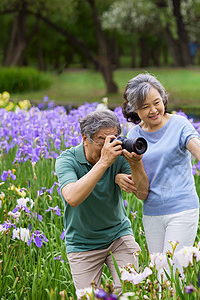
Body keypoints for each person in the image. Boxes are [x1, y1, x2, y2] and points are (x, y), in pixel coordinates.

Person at [119, 73, 200, 258]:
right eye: (145, 107)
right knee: (159, 273)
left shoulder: (179, 124)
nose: (153, 110)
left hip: (182, 208)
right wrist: (120, 175)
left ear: (163, 99)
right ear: (134, 109)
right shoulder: (133, 135)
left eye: (157, 102)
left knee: (174, 270)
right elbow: (141, 191)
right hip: (151, 212)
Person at [55, 108, 149, 293]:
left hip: (118, 235)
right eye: (102, 140)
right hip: (83, 244)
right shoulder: (67, 160)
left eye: (113, 139)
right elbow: (72, 197)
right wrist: (104, 163)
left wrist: (136, 163)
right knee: (88, 297)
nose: (109, 145)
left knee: (131, 291)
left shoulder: (117, 155)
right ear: (85, 139)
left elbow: (142, 193)